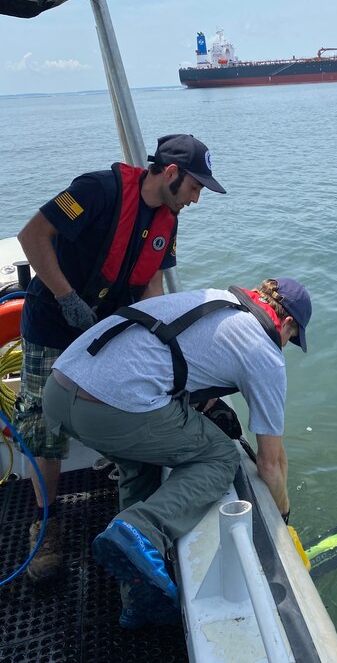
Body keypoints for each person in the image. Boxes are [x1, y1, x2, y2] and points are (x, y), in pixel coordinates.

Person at [13, 133, 226, 582]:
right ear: (170, 173)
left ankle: (125, 512)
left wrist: (159, 346)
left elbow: (151, 288)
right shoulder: (93, 191)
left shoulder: (168, 220)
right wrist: (67, 297)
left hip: (105, 332)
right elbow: (32, 235)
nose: (196, 199)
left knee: (131, 409)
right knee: (43, 431)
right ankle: (46, 526)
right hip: (52, 325)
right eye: (194, 187)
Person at [41, 277, 312, 628]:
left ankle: (137, 599)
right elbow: (270, 462)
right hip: (110, 407)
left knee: (141, 467)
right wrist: (283, 517)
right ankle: (141, 528)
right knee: (221, 457)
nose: (286, 345)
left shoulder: (217, 301)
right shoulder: (264, 351)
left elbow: (176, 352)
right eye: (292, 339)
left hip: (60, 391)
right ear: (288, 323)